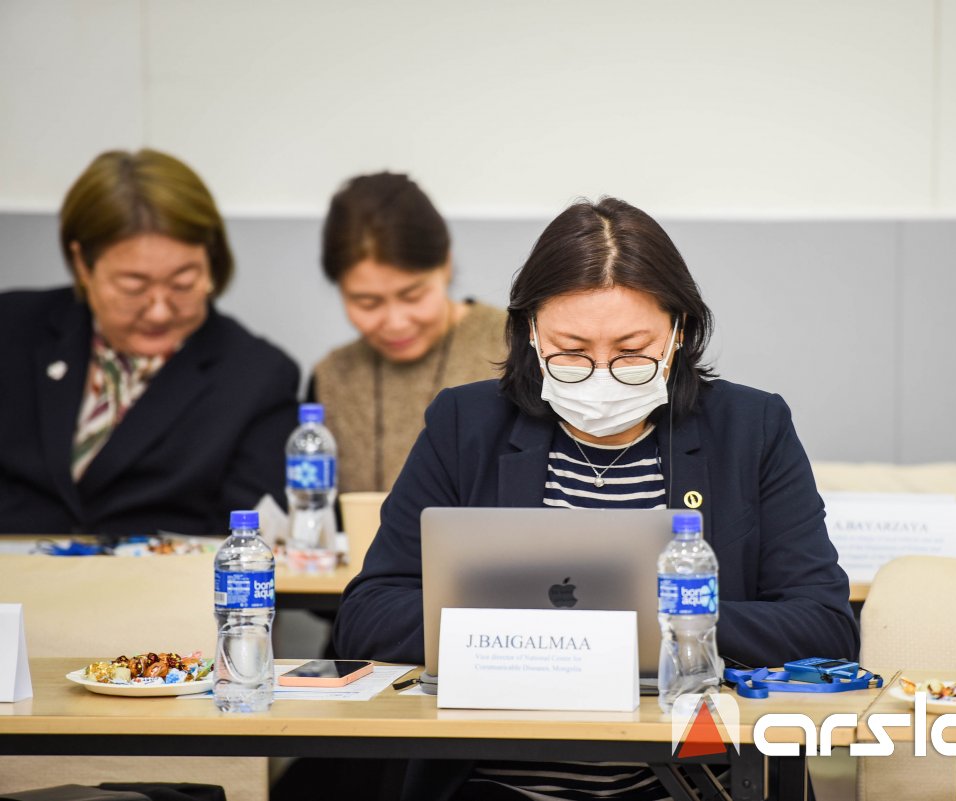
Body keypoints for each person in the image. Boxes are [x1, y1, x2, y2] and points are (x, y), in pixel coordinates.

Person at [333, 197, 858, 801]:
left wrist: (662, 629)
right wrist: (538, 638)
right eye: (571, 351)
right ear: (531, 334)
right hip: (500, 781)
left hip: (694, 781)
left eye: (632, 351)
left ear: (678, 334)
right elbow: (367, 618)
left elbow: (824, 627)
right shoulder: (465, 424)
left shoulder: (750, 427)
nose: (602, 372)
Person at [0, 148, 299, 536]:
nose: (159, 311)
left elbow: (246, 539)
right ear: (83, 265)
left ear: (212, 263)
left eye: (183, 283)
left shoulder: (257, 375)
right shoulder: (13, 329)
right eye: (133, 286)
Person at [310, 172, 507, 492]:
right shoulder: (332, 377)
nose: (396, 322)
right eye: (367, 303)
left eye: (412, 296)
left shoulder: (513, 346)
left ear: (445, 265)